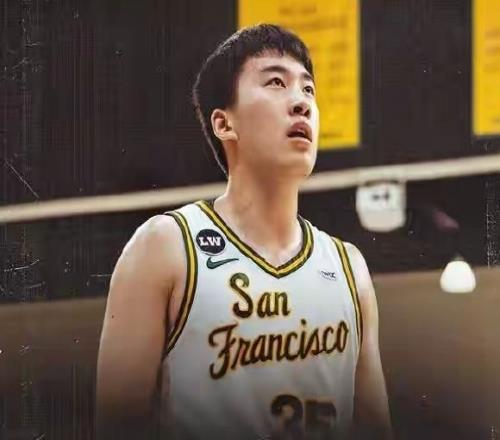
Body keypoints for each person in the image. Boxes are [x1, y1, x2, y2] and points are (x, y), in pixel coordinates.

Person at [96, 24, 392, 440]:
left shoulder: (349, 267)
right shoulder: (166, 245)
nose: (302, 102)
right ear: (224, 124)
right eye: (276, 82)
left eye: (308, 89)